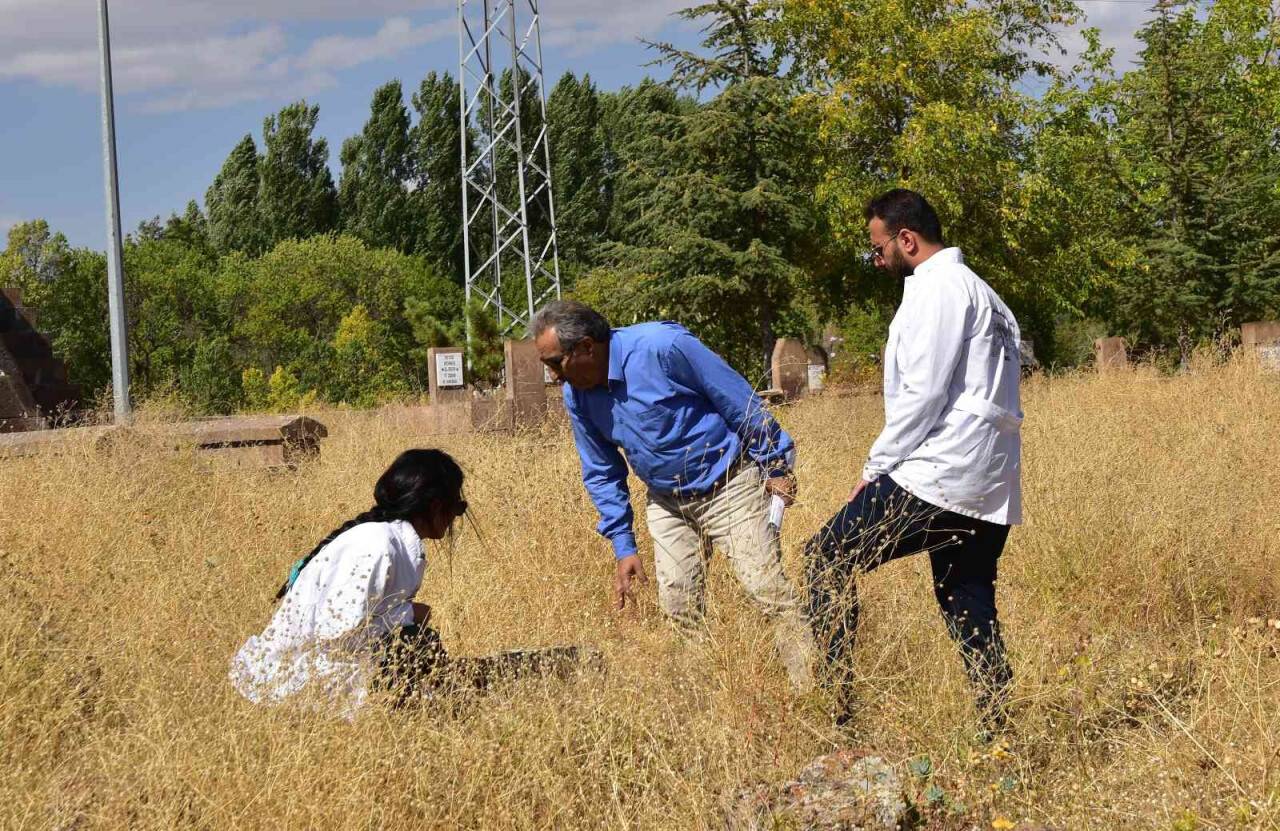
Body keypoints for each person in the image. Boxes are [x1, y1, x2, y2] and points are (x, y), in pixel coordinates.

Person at [805, 189, 1023, 730]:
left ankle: (838, 711)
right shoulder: (988, 296)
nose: (876, 259)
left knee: (824, 559)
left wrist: (874, 469)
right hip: (990, 481)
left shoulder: (936, 288)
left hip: (939, 473)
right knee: (967, 601)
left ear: (907, 239)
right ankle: (1000, 729)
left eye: (878, 248)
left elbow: (923, 395)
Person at [531, 300, 817, 690]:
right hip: (667, 502)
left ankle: (812, 695)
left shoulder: (663, 348)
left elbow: (737, 400)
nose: (552, 378)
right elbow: (601, 470)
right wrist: (623, 545)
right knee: (679, 607)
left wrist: (776, 464)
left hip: (728, 485)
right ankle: (701, 707)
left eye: (554, 363)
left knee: (767, 592)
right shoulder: (577, 396)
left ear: (585, 347)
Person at [230, 448, 594, 713]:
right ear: (435, 505)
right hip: (293, 685)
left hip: (335, 675)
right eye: (457, 507)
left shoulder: (395, 543)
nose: (456, 518)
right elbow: (333, 636)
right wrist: (406, 619)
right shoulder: (375, 545)